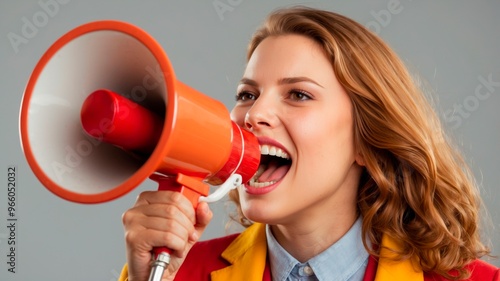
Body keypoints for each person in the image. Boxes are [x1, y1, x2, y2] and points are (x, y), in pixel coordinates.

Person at [118, 6, 499, 281]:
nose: (253, 115)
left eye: (298, 95)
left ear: (366, 141)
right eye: (247, 94)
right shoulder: (178, 273)